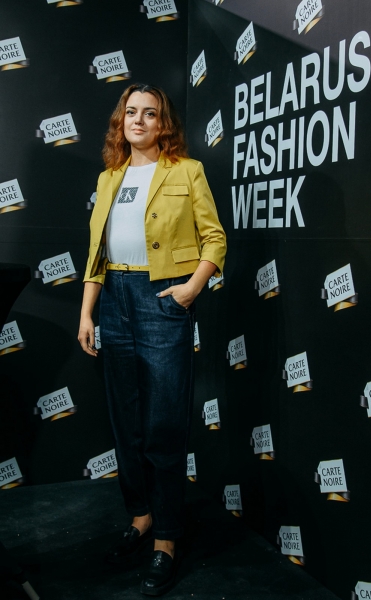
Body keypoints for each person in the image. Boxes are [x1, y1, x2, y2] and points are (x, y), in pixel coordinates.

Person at [77, 83, 226, 596]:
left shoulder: (187, 171)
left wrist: (190, 289)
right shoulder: (109, 177)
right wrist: (87, 312)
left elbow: (215, 237)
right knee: (126, 423)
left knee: (163, 425)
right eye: (131, 112)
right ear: (121, 121)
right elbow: (96, 254)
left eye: (149, 113)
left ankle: (166, 538)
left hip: (161, 299)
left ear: (164, 124)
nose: (138, 120)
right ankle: (140, 516)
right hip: (114, 301)